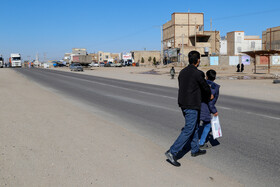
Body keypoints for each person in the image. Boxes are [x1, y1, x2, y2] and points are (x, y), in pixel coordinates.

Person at [165, 51, 211, 167]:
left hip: (183, 103)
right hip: (192, 105)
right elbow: (205, 88)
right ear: (198, 60)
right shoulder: (198, 73)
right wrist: (209, 95)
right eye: (199, 59)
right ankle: (172, 152)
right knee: (189, 129)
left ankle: (194, 150)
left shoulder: (182, 72)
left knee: (194, 126)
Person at [199, 69, 220, 149]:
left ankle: (191, 141)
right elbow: (211, 102)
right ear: (214, 78)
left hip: (196, 107)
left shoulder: (201, 83)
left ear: (206, 76)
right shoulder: (214, 87)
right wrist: (214, 111)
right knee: (207, 125)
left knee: (195, 126)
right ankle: (201, 143)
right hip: (205, 109)